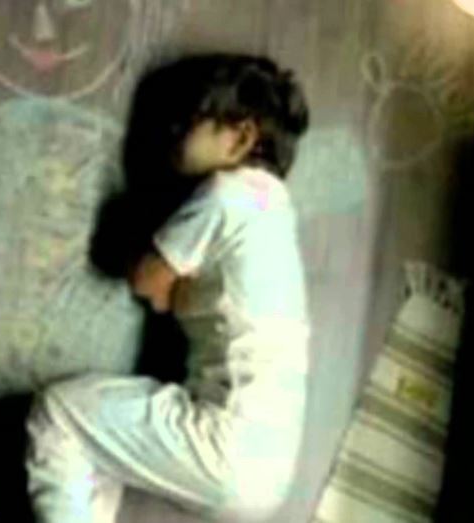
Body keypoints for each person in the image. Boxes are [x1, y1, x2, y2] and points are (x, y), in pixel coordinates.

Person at [25, 53, 312, 523]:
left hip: (224, 443)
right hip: (270, 472)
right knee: (101, 444)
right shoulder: (277, 210)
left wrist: (169, 283)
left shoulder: (228, 192)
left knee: (59, 417)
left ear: (241, 137)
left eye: (191, 120)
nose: (173, 132)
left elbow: (148, 282)